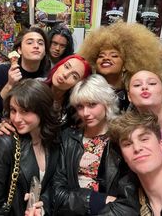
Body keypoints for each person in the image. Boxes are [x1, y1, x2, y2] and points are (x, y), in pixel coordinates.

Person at [50, 74, 139, 216]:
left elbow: (128, 201)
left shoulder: (121, 139)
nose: (85, 113)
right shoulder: (68, 138)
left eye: (92, 105)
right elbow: (56, 192)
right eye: (80, 106)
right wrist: (97, 200)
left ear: (106, 103)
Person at [0, 79, 60, 215]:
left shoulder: (53, 140)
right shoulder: (4, 144)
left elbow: (52, 186)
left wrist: (41, 208)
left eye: (25, 111)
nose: (16, 118)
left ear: (43, 110)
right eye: (13, 110)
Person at [0, 54, 92, 136]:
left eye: (74, 76)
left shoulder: (74, 109)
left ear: (78, 85)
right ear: (59, 65)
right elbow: (10, 114)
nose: (65, 74)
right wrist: (6, 124)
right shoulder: (34, 87)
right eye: (66, 66)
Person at [78, 21, 162, 111]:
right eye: (101, 56)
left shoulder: (135, 93)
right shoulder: (87, 91)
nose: (106, 58)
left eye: (114, 55)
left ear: (126, 65)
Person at [0, 27, 51, 124]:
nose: (36, 46)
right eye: (30, 42)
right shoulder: (3, 71)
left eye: (41, 43)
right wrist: (9, 85)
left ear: (45, 51)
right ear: (19, 50)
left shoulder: (48, 75)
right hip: (9, 129)